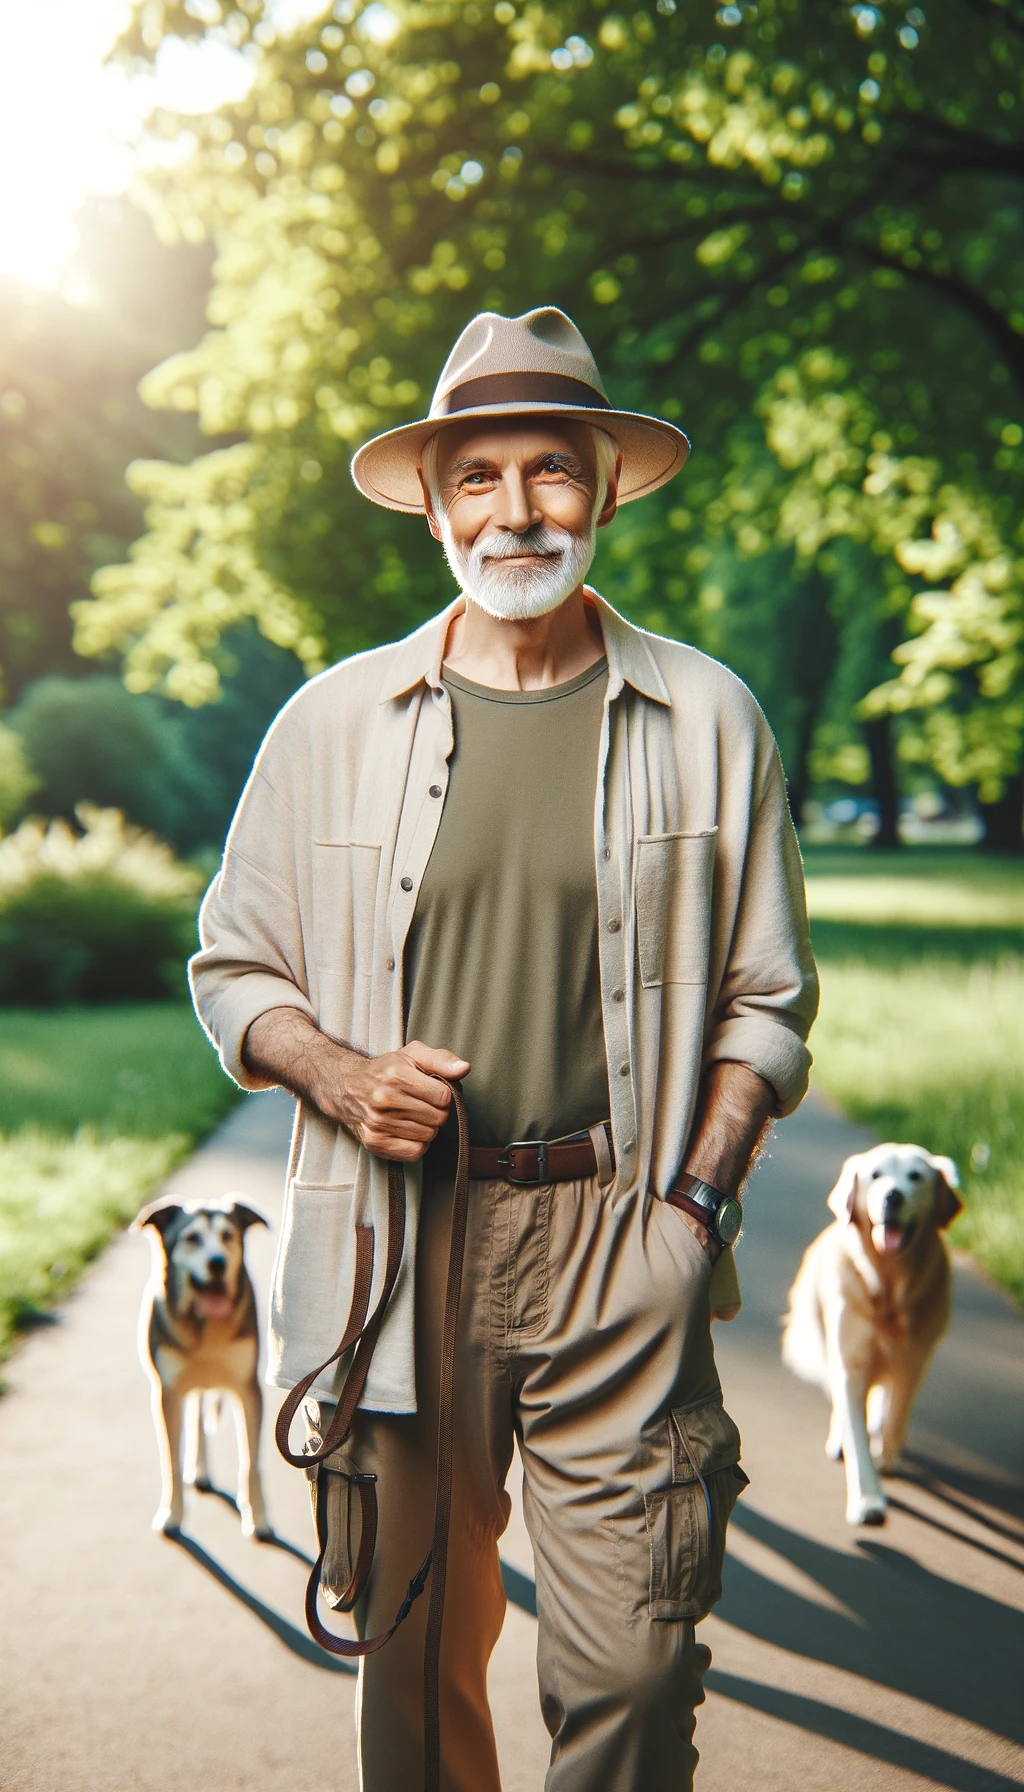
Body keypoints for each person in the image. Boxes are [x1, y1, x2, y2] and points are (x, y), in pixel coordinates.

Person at [191, 305, 818, 1792]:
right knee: (414, 1668)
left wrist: (694, 1211)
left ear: (603, 492)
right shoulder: (329, 724)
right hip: (399, 1249)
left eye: (552, 470)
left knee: (640, 1672)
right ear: (435, 507)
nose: (517, 509)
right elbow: (233, 969)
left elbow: (768, 1002)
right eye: (479, 475)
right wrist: (339, 1072)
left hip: (624, 1232)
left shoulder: (711, 717)